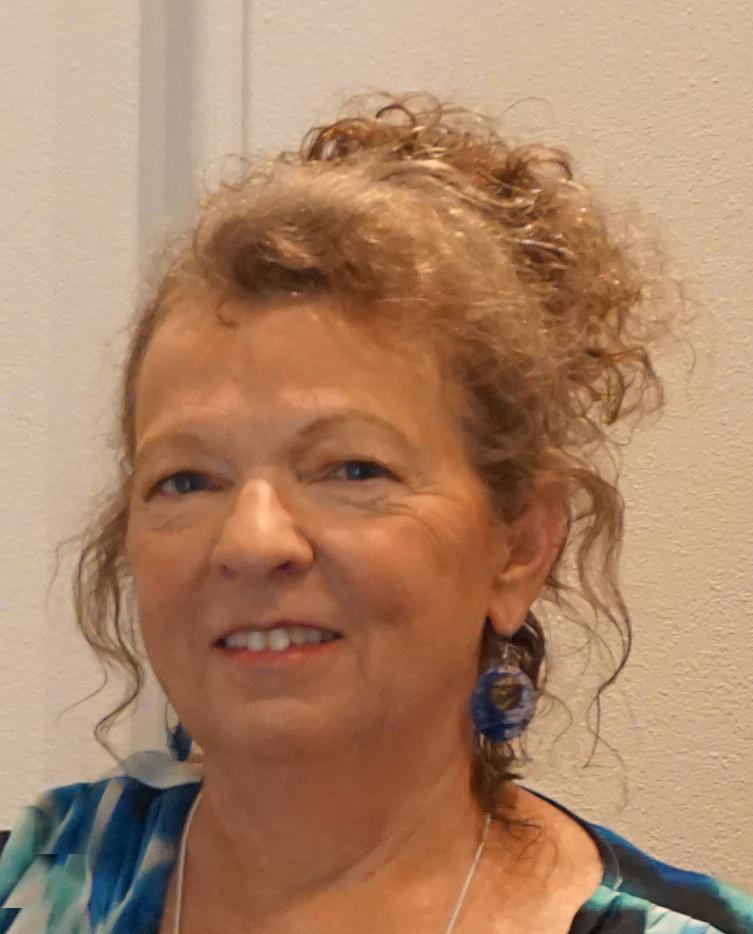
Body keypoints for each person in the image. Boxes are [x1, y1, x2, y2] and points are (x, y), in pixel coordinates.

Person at [0, 91, 751, 934]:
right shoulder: (25, 886)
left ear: (520, 545)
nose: (251, 540)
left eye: (351, 469)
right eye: (186, 480)